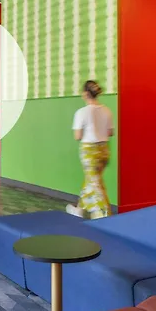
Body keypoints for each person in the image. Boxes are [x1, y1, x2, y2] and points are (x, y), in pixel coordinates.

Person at [67, 80, 114, 220]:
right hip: (104, 150)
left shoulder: (81, 112)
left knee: (95, 184)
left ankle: (104, 216)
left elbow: (77, 136)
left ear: (86, 94)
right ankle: (79, 209)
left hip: (89, 151)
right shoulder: (107, 110)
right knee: (92, 180)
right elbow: (110, 132)